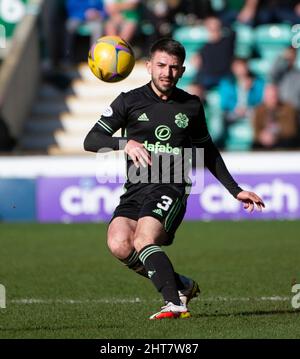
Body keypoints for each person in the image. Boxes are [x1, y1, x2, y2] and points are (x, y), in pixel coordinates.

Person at [84, 38, 265, 320]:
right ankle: (181, 285)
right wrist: (125, 143)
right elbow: (91, 139)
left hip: (173, 185)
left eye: (173, 67)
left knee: (144, 238)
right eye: (161, 65)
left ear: (181, 71)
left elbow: (207, 150)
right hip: (135, 189)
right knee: (119, 243)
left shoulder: (191, 105)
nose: (166, 72)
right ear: (148, 67)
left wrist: (235, 190)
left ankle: (175, 304)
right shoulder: (128, 101)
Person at [218, 57, 265, 148]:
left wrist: (250, 90)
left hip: (251, 111)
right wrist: (235, 108)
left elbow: (260, 101)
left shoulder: (257, 82)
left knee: (259, 116)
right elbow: (224, 102)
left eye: (243, 66)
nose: (241, 70)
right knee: (222, 118)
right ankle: (221, 144)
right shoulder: (227, 82)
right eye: (238, 67)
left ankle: (256, 145)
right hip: (233, 111)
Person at [188, 16, 235, 100]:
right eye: (211, 27)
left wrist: (219, 23)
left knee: (227, 90)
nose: (213, 30)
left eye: (215, 27)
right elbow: (195, 61)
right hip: (207, 76)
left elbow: (233, 30)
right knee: (193, 90)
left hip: (224, 76)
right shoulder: (203, 45)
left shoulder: (227, 41)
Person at [252, 84, 298, 149]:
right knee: (255, 145)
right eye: (269, 97)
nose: (272, 99)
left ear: (278, 96)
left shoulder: (288, 109)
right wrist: (262, 135)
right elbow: (256, 128)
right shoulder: (259, 110)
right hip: (264, 140)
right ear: (265, 97)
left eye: (274, 96)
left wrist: (275, 135)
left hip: (283, 140)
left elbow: (291, 129)